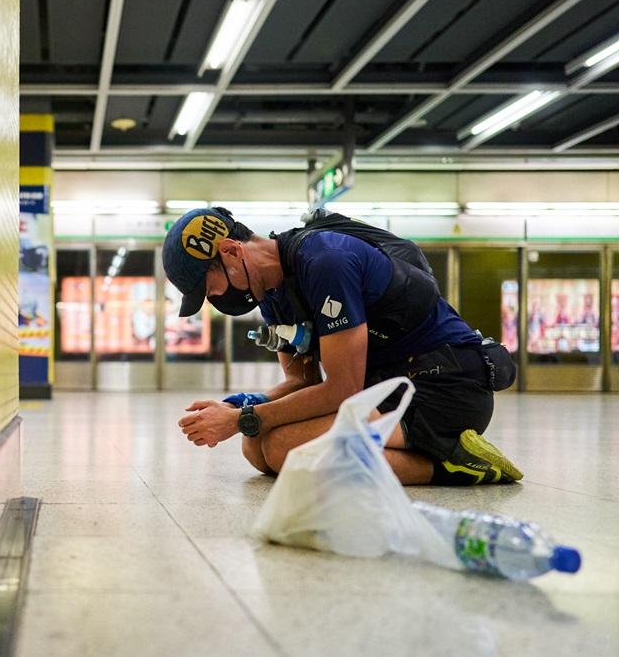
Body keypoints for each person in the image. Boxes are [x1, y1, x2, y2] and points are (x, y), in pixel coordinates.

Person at [162, 206, 523, 486]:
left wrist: (243, 419)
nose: (214, 299)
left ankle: (453, 465)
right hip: (387, 387)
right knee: (256, 448)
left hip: (444, 387)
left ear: (229, 251)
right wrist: (238, 407)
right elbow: (301, 382)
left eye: (209, 288)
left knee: (284, 447)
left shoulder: (325, 261)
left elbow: (340, 388)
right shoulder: (270, 295)